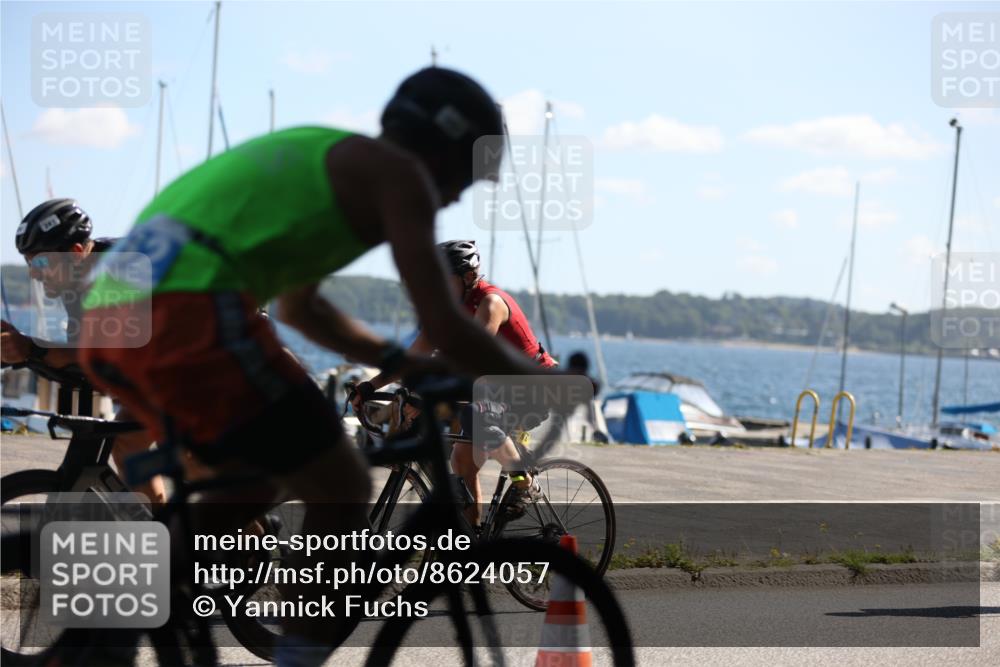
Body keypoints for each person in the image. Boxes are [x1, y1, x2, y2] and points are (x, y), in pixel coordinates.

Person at [78, 67, 560, 667]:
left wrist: (392, 363)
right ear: (437, 148)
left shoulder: (331, 158)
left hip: (119, 313)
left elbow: (302, 309)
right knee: (340, 482)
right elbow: (444, 324)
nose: (458, 196)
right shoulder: (399, 177)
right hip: (189, 310)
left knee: (260, 480)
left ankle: (141, 603)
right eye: (464, 176)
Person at [355, 239, 555, 527]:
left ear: (469, 276)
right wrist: (371, 386)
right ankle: (470, 541)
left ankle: (525, 483)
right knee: (462, 463)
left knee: (478, 419)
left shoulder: (491, 303)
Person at [1, 198, 167, 505]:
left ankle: (240, 531)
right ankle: (169, 525)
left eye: (40, 263)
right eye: (28, 263)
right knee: (129, 444)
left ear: (76, 253)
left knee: (192, 458)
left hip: (216, 351)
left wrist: (30, 349)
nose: (34, 274)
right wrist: (15, 351)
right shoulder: (75, 279)